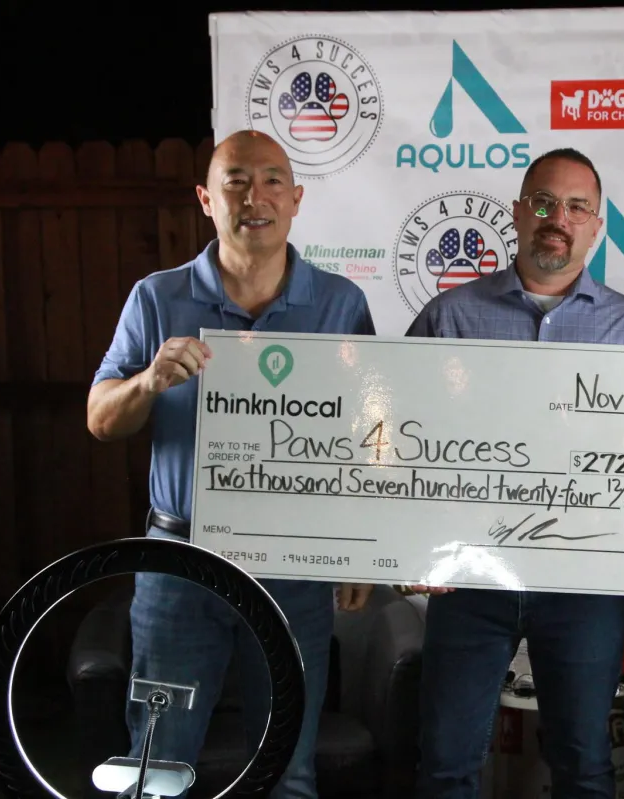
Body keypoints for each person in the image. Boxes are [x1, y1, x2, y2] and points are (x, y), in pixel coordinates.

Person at [405, 147, 624, 799]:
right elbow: (403, 440)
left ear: (596, 226)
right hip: (470, 577)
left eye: (576, 207)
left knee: (585, 765)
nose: (558, 219)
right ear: (518, 213)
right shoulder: (449, 317)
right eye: (544, 203)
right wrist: (407, 547)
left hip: (585, 584)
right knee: (446, 762)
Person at [87, 130, 376, 799]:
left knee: (288, 771)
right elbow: (100, 419)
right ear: (206, 199)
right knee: (155, 768)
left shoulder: (340, 304)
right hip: (180, 563)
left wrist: (363, 552)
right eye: (236, 181)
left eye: (272, 180)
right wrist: (148, 381)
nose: (255, 197)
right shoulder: (156, 297)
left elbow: (370, 436)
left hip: (294, 565)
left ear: (296, 199)